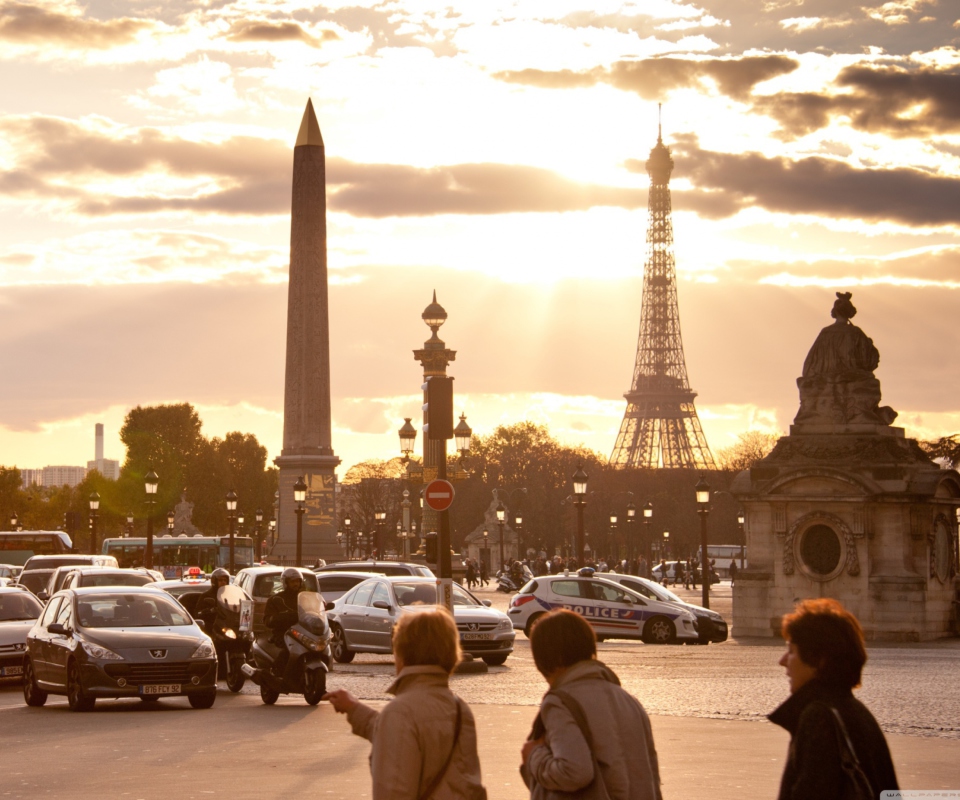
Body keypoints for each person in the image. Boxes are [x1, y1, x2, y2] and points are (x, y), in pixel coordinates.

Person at [324, 609, 487, 800]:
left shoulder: (399, 713)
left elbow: (393, 790)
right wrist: (354, 709)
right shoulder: (459, 708)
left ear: (402, 653)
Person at [521, 609, 662, 800]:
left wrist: (534, 757)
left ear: (546, 657)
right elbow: (650, 776)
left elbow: (573, 772)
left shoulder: (560, 703)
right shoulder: (628, 700)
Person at [769, 598, 898, 800]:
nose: (782, 661)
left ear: (818, 660)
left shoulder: (819, 717)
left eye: (792, 651)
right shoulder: (858, 712)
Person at [263, 567, 303, 679]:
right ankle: (276, 672)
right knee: (288, 651)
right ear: (286, 583)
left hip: (302, 632)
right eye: (293, 581)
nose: (296, 584)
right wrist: (279, 618)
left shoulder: (303, 597)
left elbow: (313, 610)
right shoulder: (276, 599)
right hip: (283, 633)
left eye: (297, 581)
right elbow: (267, 620)